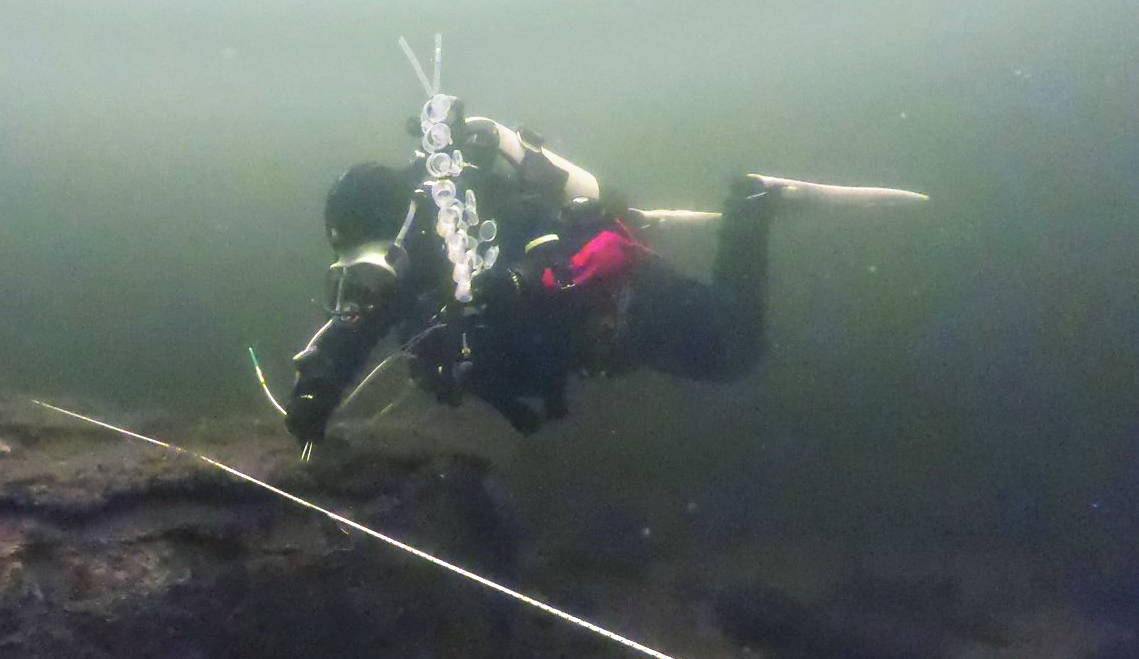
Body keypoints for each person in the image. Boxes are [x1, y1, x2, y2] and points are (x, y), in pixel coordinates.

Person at [285, 97, 923, 451]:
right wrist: (318, 390)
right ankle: (751, 207)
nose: (375, 277)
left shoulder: (474, 208)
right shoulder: (408, 256)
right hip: (589, 338)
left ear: (395, 223)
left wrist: (519, 280)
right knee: (728, 354)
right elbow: (356, 326)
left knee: (734, 352)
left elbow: (548, 235)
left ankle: (752, 208)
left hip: (624, 307)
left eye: (372, 258)